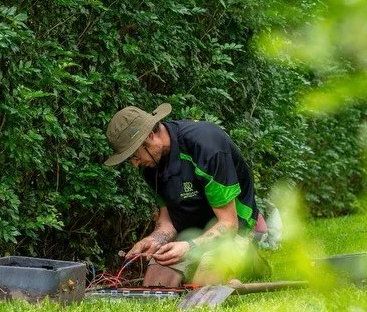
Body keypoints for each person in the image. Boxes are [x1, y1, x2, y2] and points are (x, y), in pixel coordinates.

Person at [104, 103, 271, 287]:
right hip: (192, 230)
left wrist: (189, 247)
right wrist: (153, 240)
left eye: (134, 156)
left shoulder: (207, 147)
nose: (135, 164)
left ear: (150, 136)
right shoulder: (149, 165)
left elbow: (229, 224)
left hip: (233, 224)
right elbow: (168, 221)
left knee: (203, 286)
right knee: (155, 285)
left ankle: (250, 259)